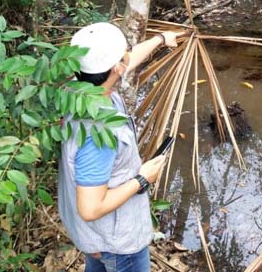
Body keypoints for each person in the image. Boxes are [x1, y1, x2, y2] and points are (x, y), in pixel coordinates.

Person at [58, 22, 179, 272]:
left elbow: (125, 62)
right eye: (125, 51)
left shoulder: (75, 89)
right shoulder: (99, 133)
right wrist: (143, 179)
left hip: (95, 237)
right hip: (117, 244)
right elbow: (90, 208)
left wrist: (160, 39)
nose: (128, 53)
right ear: (115, 68)